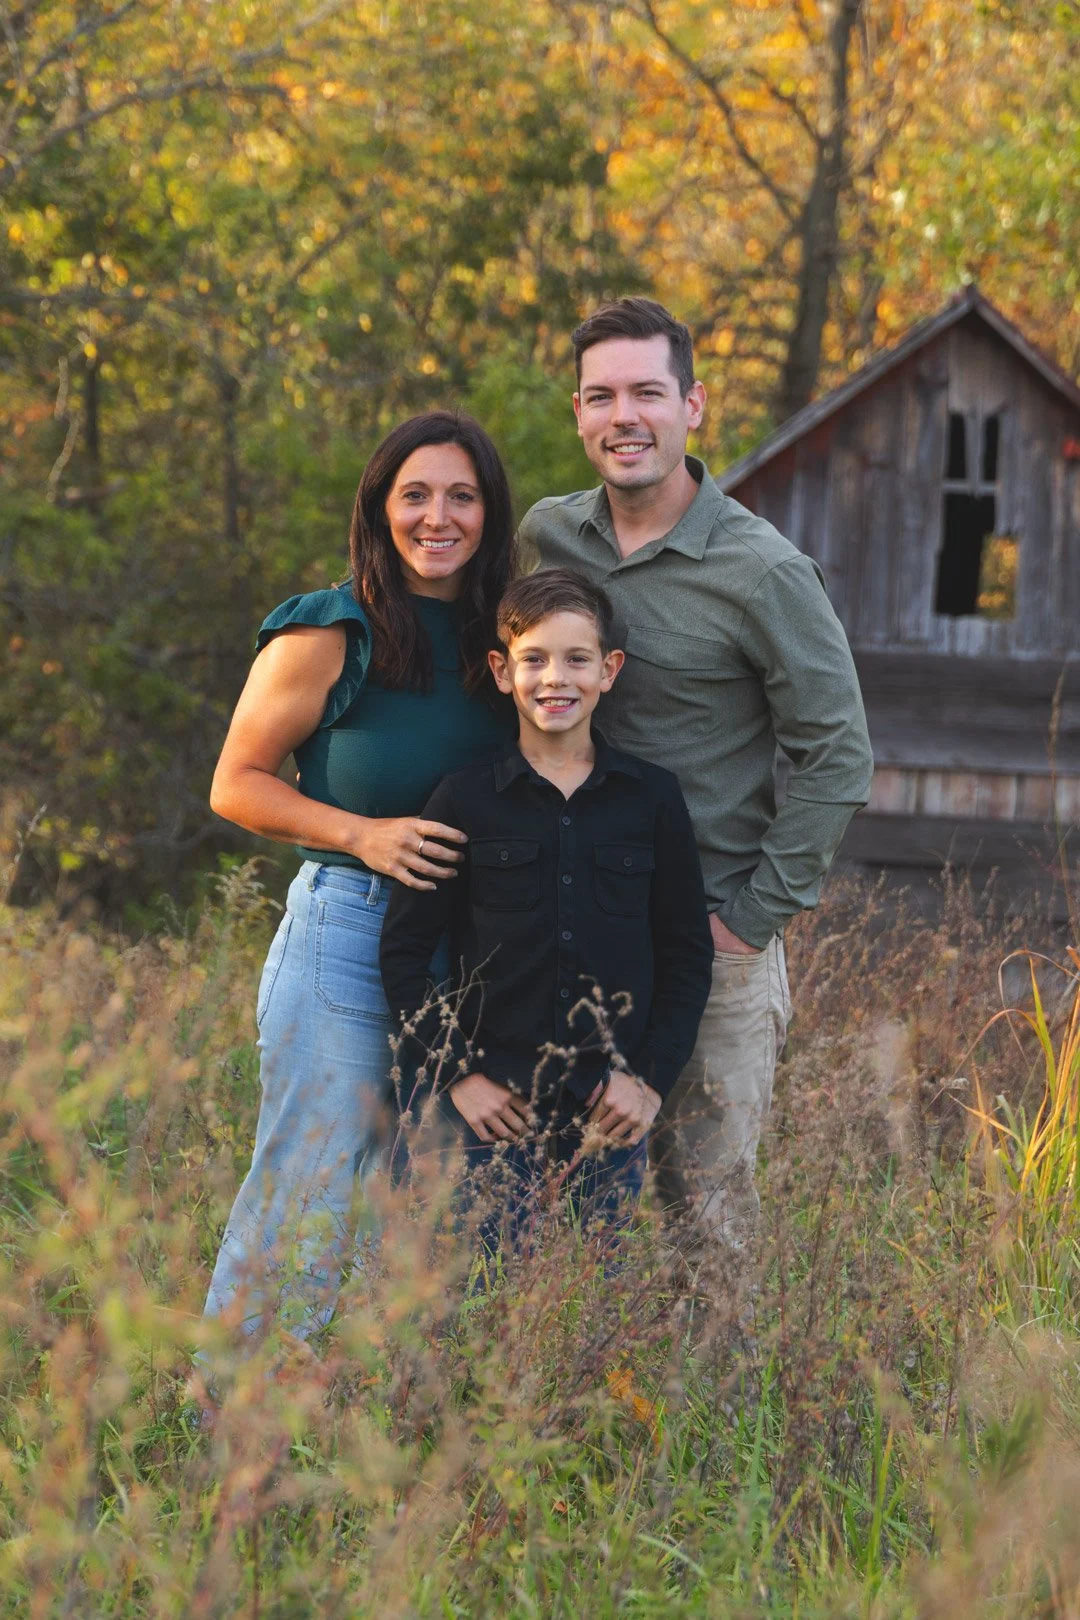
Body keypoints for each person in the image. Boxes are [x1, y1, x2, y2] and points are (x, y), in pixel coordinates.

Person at [518, 298, 874, 1284]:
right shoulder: (550, 536)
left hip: (707, 943)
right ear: (579, 412)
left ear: (694, 407)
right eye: (601, 396)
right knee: (545, 1200)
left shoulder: (763, 572)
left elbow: (839, 756)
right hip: (566, 931)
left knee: (707, 1218)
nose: (623, 416)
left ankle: (715, 1439)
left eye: (647, 392)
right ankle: (559, 1417)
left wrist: (751, 919)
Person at [203, 411, 516, 1338]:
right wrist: (362, 834)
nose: (438, 517)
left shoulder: (506, 641)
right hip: (350, 928)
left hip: (469, 955)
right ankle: (241, 1423)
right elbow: (235, 784)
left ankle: (374, 1437)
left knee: (431, 1198)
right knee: (311, 1183)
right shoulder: (332, 630)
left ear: (491, 514)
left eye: (462, 496)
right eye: (414, 495)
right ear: (379, 509)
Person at [378, 569, 713, 1260]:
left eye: (576, 659)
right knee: (470, 1301)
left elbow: (686, 953)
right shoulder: (463, 799)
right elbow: (407, 953)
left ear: (609, 670)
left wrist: (646, 1081)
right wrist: (456, 1076)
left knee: (591, 1300)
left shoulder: (652, 800)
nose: (554, 678)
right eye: (533, 659)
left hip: (606, 1109)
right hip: (488, 1107)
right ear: (502, 671)